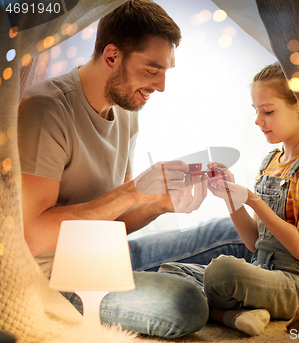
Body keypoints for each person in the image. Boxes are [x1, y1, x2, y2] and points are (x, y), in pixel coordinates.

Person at [17, 0, 252, 339]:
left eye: (165, 72)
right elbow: (33, 236)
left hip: (107, 256)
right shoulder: (47, 110)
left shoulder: (126, 111)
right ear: (112, 56)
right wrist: (133, 191)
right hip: (59, 278)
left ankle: (211, 287)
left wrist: (160, 204)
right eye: (152, 70)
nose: (161, 86)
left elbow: (115, 221)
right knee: (183, 304)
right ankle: (208, 293)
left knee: (234, 235)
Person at [205, 62, 299, 336]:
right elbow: (252, 241)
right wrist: (230, 196)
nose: (259, 121)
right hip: (263, 270)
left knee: (221, 273)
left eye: (268, 111)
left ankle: (224, 313)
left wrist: (253, 200)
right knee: (174, 273)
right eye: (256, 112)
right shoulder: (270, 161)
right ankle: (237, 315)